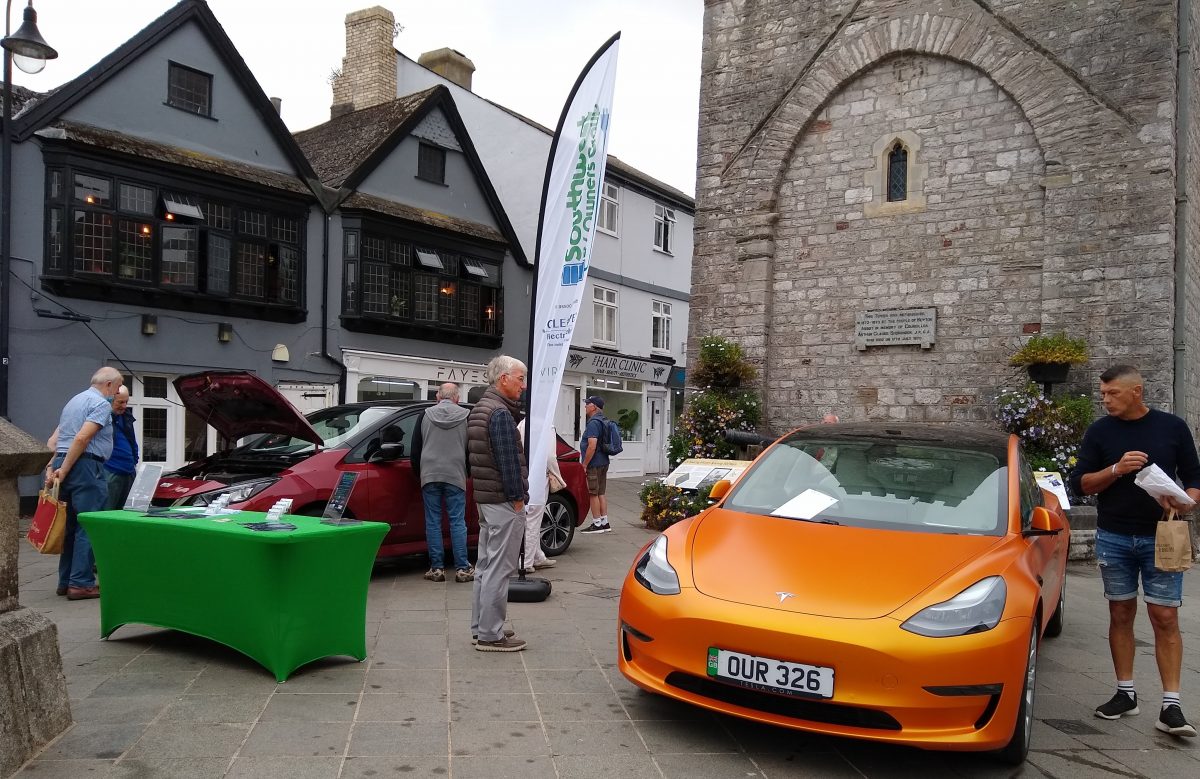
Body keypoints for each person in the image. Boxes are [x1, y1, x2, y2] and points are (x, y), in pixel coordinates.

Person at [1069, 365, 1200, 737]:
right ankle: (1125, 693)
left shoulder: (1172, 427)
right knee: (1120, 612)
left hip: (1162, 535)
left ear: (1136, 392)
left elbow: (1194, 476)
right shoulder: (1100, 431)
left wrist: (1188, 500)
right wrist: (1115, 468)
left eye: (1112, 393)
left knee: (1165, 617)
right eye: (1103, 394)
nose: (1105, 399)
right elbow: (1080, 483)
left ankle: (1171, 706)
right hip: (1114, 534)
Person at [44, 367, 124, 600]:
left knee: (70, 526)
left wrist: (54, 468)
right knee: (89, 524)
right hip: (86, 466)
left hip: (66, 461)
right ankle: (81, 583)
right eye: (118, 386)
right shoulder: (99, 404)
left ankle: (65, 581)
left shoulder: (74, 401)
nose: (118, 391)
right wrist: (66, 468)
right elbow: (82, 438)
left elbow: (55, 441)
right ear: (108, 385)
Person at [466, 356, 529, 652]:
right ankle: (492, 634)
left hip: (486, 498)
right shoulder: (501, 414)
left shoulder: (481, 408)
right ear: (503, 379)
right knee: (499, 568)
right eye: (520, 379)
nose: (523, 385)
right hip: (503, 500)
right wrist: (518, 499)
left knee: (485, 565)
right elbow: (508, 463)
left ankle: (482, 628)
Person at [409, 382, 473, 584]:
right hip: (455, 473)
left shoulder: (424, 415)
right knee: (457, 521)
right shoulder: (466, 416)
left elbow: (415, 450)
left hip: (430, 473)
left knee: (433, 521)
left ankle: (436, 568)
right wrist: (467, 472)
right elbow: (471, 449)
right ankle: (462, 568)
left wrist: (420, 473)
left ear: (438, 396)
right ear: (457, 398)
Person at [517, 417, 562, 573]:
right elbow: (550, 456)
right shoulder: (547, 425)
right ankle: (527, 562)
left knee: (530, 517)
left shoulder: (523, 423)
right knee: (533, 519)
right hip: (538, 476)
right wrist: (557, 475)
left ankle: (537, 556)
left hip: (524, 474)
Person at [579, 395, 611, 534]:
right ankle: (605, 522)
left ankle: (596, 524)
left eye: (588, 404)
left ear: (594, 407)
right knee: (601, 493)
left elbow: (592, 446)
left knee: (593, 493)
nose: (585, 406)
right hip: (604, 461)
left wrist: (585, 464)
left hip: (594, 463)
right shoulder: (604, 420)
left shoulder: (593, 423)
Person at [103, 386, 139, 510]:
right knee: (107, 513)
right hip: (110, 471)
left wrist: (134, 460)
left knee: (126, 514)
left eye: (126, 402)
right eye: (120, 402)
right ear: (110, 400)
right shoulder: (102, 418)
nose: (124, 406)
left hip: (129, 472)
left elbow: (132, 440)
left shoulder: (126, 417)